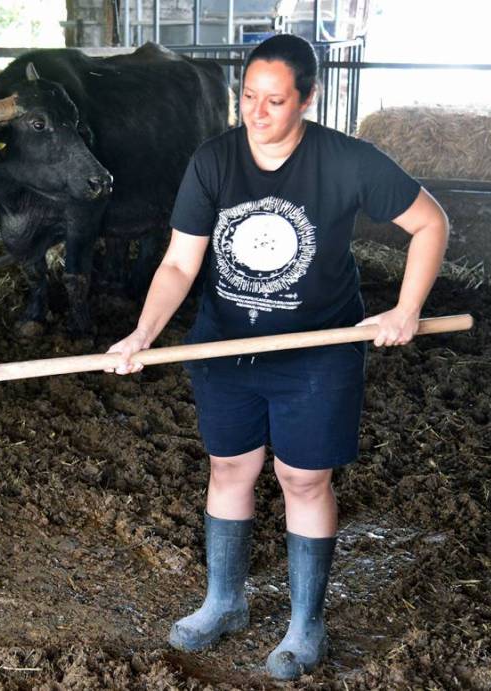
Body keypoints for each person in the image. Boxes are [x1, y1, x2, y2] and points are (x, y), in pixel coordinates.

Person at [106, 34, 449, 681]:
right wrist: (143, 333)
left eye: (274, 100)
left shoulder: (346, 161)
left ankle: (304, 625)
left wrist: (405, 308)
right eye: (247, 98)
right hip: (226, 347)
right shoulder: (213, 161)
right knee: (229, 467)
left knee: (304, 479)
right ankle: (224, 601)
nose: (256, 114)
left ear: (307, 100)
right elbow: (181, 261)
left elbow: (429, 222)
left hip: (317, 351)